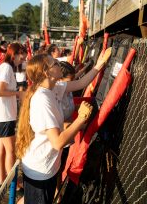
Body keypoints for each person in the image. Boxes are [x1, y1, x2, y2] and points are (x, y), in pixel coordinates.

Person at [16, 48, 111, 204]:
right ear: (47, 73)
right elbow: (58, 142)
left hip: (47, 165)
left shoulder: (54, 87)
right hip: (40, 170)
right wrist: (80, 120)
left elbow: (81, 82)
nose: (60, 65)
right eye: (55, 64)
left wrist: (101, 63)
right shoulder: (42, 100)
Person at [0, 43, 25, 185]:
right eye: (22, 53)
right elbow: (0, 91)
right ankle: (13, 184)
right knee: (11, 150)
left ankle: (4, 180)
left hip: (2, 116)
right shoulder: (6, 67)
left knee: (2, 149)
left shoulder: (8, 68)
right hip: (4, 116)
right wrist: (18, 93)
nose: (24, 56)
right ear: (14, 54)